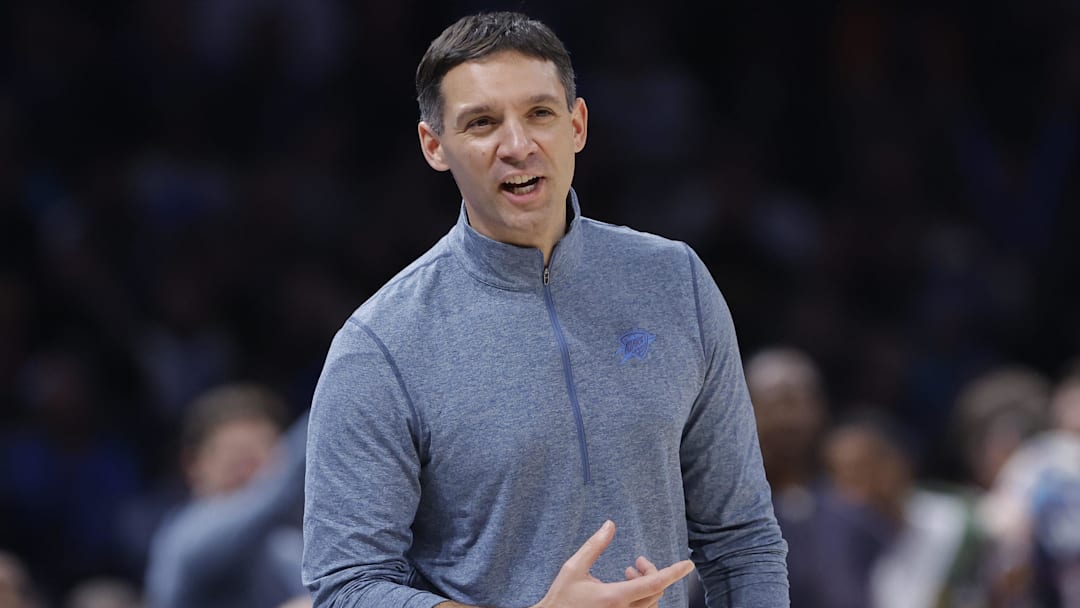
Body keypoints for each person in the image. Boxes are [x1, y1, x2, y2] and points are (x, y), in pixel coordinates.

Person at [302, 10, 789, 608]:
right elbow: (344, 587)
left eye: (540, 113)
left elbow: (742, 538)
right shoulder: (380, 344)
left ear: (577, 125)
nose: (517, 144)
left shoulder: (675, 280)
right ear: (435, 146)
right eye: (482, 123)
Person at [144, 382, 309, 608]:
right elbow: (274, 496)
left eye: (263, 457)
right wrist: (334, 404)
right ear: (193, 464)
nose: (254, 476)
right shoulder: (187, 537)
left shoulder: (285, 544)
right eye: (237, 460)